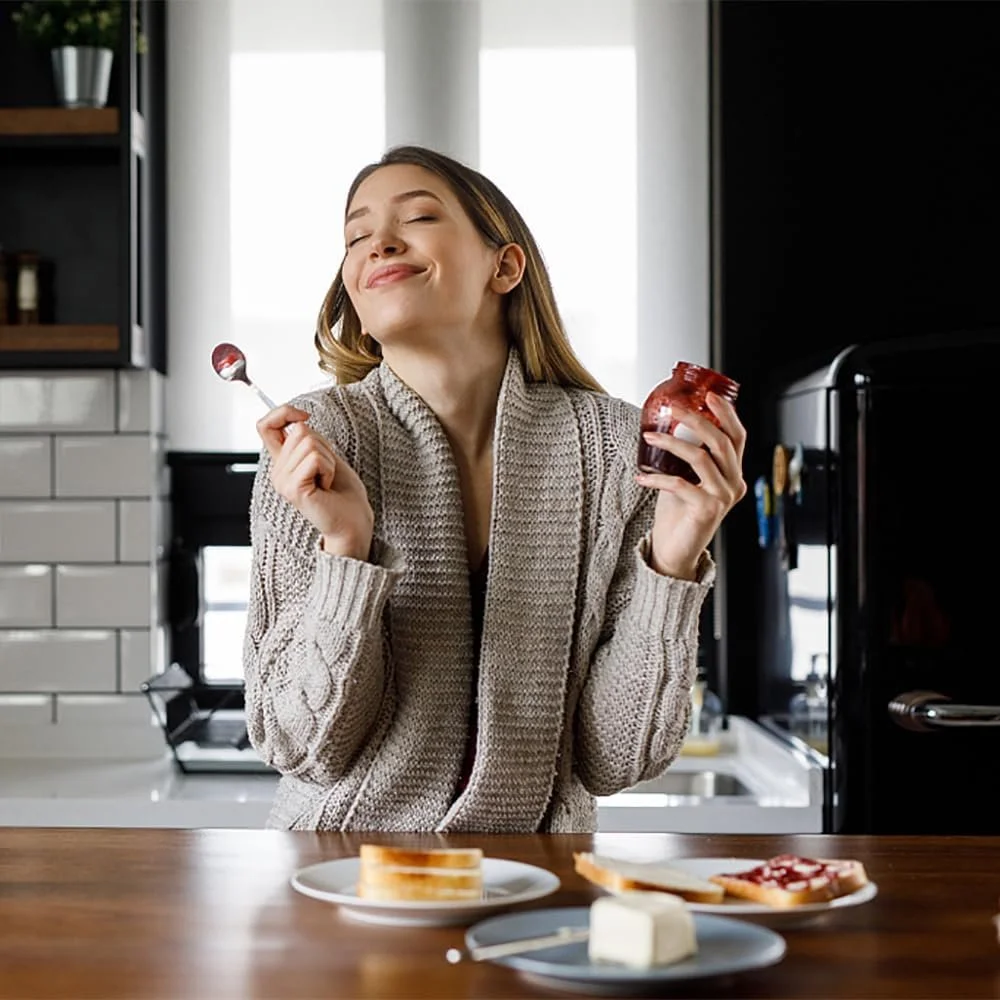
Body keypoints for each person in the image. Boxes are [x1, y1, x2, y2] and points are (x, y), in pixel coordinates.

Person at [243, 144, 747, 833]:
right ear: (358, 296)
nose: (378, 243)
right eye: (356, 237)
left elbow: (616, 759)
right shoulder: (316, 441)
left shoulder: (614, 449)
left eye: (417, 217)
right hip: (341, 883)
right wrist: (346, 546)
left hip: (538, 887)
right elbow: (297, 744)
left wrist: (675, 557)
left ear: (505, 266)